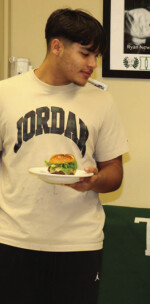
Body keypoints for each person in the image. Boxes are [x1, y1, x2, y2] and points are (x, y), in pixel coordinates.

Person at [0, 8, 129, 304]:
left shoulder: (101, 100)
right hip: (13, 240)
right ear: (56, 46)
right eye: (86, 54)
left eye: (96, 57)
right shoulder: (5, 93)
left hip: (79, 244)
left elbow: (115, 172)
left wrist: (94, 181)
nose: (92, 64)